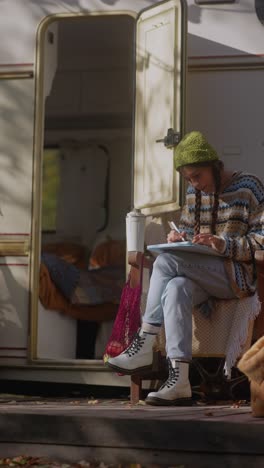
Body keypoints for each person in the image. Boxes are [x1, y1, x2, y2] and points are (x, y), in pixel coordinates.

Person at [106, 131, 264, 406]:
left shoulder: (249, 187)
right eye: (188, 179)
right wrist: (181, 238)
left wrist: (222, 244)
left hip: (235, 276)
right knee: (176, 287)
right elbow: (191, 232)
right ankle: (179, 381)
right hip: (200, 275)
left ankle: (144, 340)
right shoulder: (194, 194)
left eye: (197, 176)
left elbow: (262, 239)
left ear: (215, 166)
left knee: (166, 261)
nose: (194, 184)